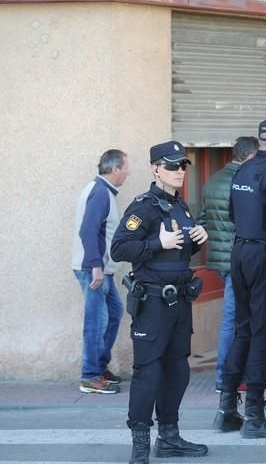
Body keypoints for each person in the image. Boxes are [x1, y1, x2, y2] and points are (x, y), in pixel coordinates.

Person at [111, 141, 209, 464]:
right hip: (152, 305)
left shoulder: (180, 207)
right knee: (148, 374)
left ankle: (169, 437)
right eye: (172, 165)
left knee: (177, 371)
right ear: (155, 169)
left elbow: (176, 254)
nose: (180, 171)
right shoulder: (144, 207)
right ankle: (140, 445)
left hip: (180, 303)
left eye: (183, 166)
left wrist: (196, 243)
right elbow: (120, 249)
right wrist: (157, 242)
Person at [212, 118, 266, 438]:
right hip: (265, 257)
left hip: (241, 253)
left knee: (243, 330)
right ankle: (255, 415)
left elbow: (234, 215)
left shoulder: (243, 170)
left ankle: (227, 409)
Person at [198, 136, 258, 393]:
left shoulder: (212, 181)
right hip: (239, 261)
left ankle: (236, 371)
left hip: (221, 262)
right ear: (251, 156)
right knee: (233, 318)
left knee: (237, 317)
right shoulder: (242, 182)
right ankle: (225, 377)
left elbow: (202, 220)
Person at [72, 149, 129, 394]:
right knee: (96, 322)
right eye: (126, 167)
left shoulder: (101, 191)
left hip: (101, 269)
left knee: (115, 312)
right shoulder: (100, 193)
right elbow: (88, 231)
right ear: (115, 169)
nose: (128, 172)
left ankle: (99, 367)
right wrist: (96, 266)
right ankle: (90, 376)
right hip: (93, 269)